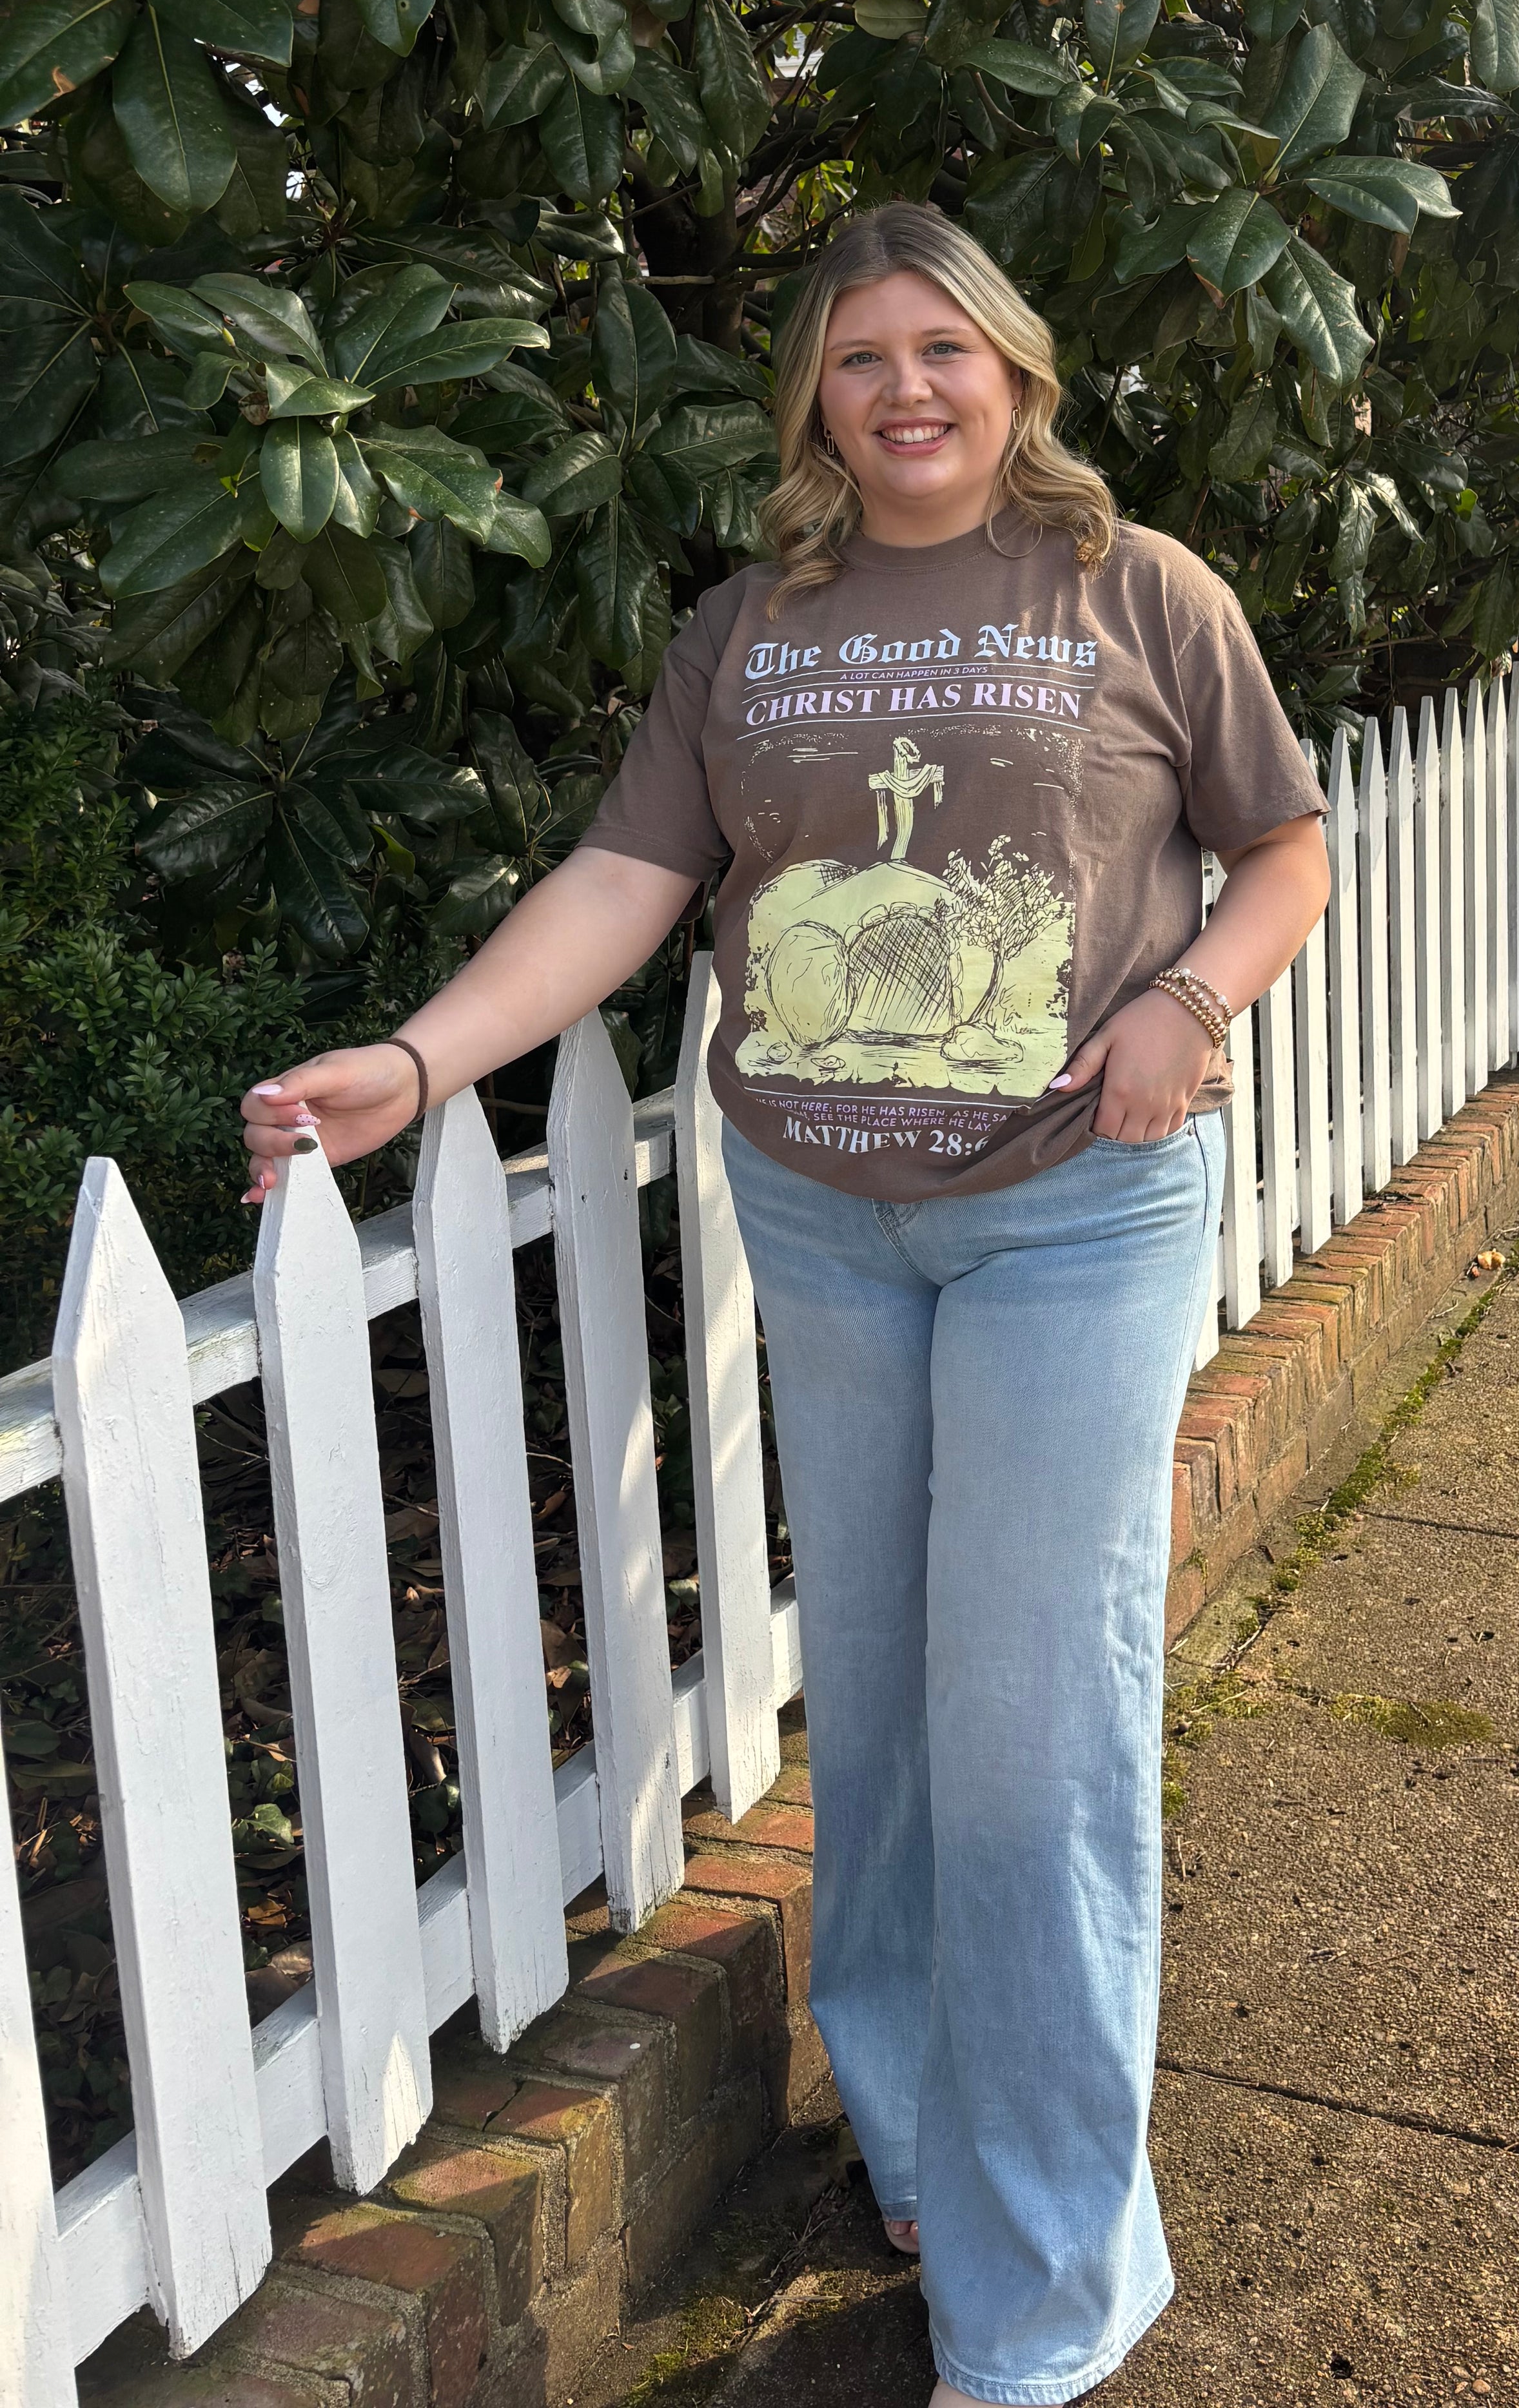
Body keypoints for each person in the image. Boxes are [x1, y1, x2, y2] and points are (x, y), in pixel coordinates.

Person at [240, 203, 1331, 2405]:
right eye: (860, 360)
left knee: (1038, 1745)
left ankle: (1043, 2295)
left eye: (946, 349)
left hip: (1069, 1216)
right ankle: (925, 2130)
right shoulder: (755, 623)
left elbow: (1287, 842)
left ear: (1014, 376)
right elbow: (634, 881)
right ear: (815, 403)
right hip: (828, 1222)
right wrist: (426, 1058)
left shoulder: (1139, 594)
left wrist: (1192, 997)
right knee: (902, 1705)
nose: (908, 392)